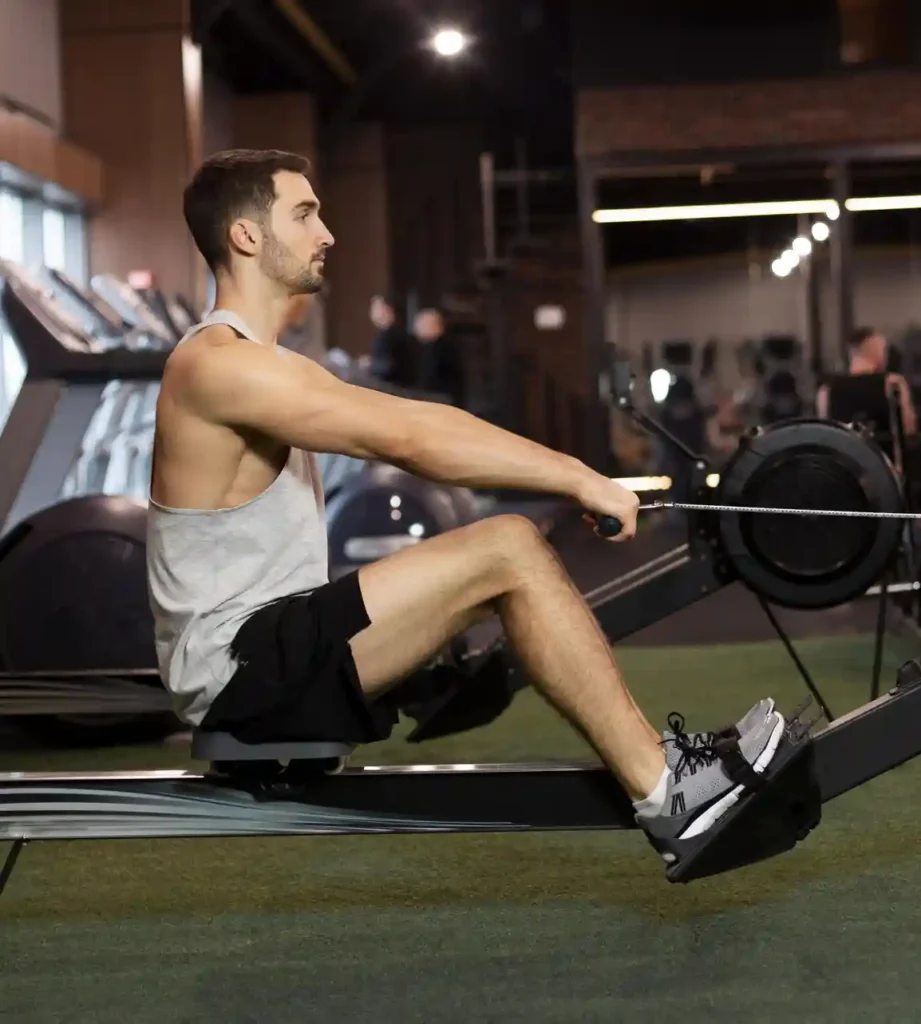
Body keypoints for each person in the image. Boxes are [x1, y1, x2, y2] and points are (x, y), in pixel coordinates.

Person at [147, 148, 784, 872]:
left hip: (267, 646)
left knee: (505, 562)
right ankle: (669, 793)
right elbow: (412, 436)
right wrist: (579, 475)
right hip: (240, 670)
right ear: (246, 237)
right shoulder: (219, 366)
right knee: (509, 547)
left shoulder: (261, 360)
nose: (326, 232)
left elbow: (413, 423)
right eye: (304, 213)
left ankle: (660, 766)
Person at [816, 327, 919, 444]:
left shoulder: (826, 390)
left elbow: (824, 435)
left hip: (845, 460)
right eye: (884, 349)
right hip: (884, 459)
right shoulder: (893, 383)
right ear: (876, 349)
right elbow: (909, 430)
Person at [411, 307, 466, 407]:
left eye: (421, 324)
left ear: (434, 326)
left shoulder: (439, 348)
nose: (416, 328)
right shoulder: (441, 346)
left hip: (439, 403)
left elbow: (428, 381)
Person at [368, 294, 415, 388]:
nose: (371, 313)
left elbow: (389, 366)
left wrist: (370, 364)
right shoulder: (392, 333)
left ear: (388, 309)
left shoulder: (392, 336)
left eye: (375, 308)